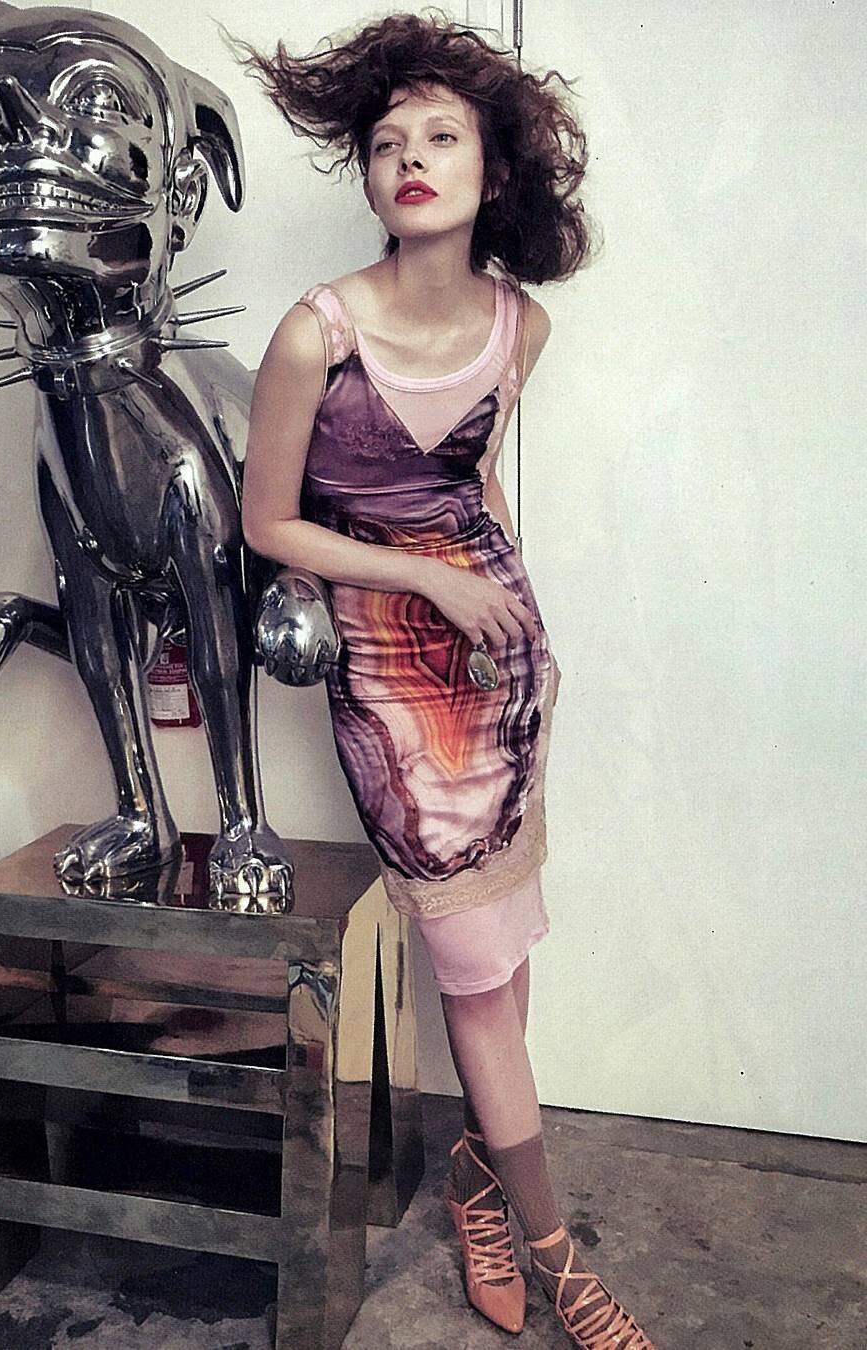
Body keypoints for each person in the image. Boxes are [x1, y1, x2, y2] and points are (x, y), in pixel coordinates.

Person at [231, 13, 653, 1347]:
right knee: (473, 970)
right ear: (367, 175)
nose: (410, 158)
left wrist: (517, 623)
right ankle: (560, 1258)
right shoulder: (317, 334)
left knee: (501, 957)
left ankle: (477, 1183)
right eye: (386, 142)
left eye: (441, 136)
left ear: (493, 168)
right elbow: (266, 524)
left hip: (503, 664)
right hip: (391, 675)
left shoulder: (520, 327)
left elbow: (471, 490)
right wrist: (428, 583)